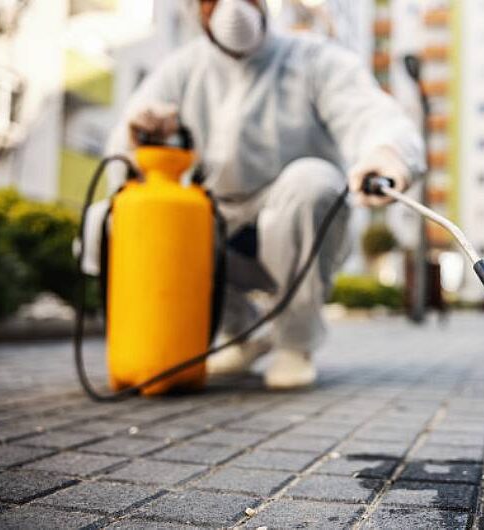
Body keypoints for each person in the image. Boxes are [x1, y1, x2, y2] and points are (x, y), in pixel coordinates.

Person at [92, 0, 425, 389]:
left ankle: (295, 343)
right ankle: (242, 333)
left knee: (313, 180)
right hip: (217, 223)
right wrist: (138, 137)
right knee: (105, 219)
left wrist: (388, 154)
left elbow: (372, 114)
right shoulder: (181, 70)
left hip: (293, 221)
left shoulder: (313, 58)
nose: (232, 8)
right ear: (195, 9)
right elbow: (121, 150)